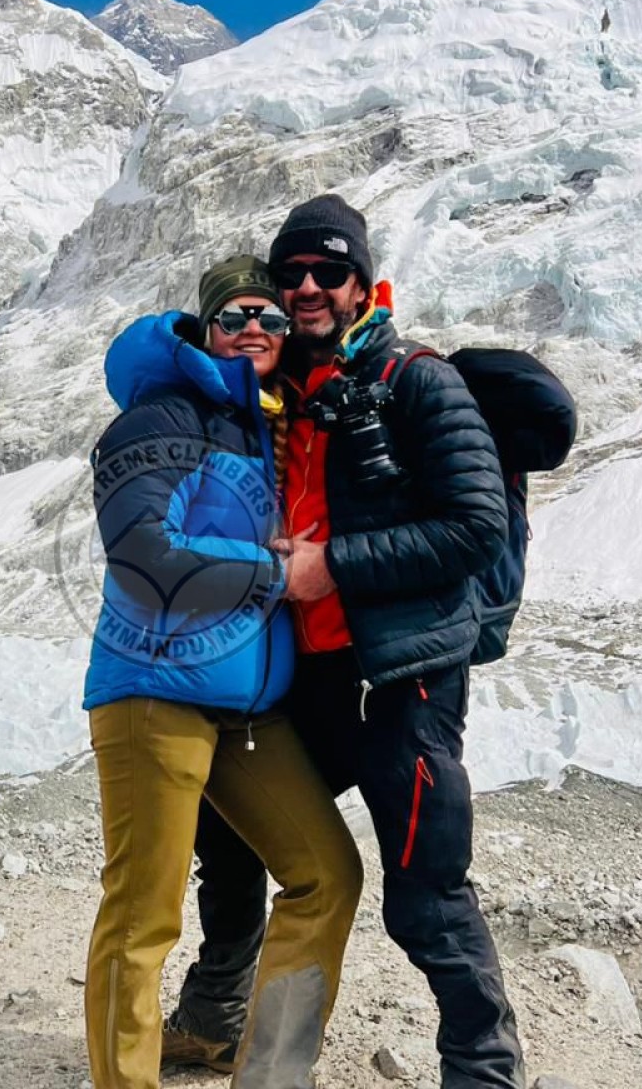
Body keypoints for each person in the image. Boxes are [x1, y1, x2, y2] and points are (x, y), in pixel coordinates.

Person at [164, 198, 526, 1089]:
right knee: (231, 830)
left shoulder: (418, 382)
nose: (308, 288)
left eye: (329, 273)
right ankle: (216, 1019)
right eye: (291, 274)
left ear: (363, 284)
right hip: (310, 678)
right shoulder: (284, 390)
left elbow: (475, 526)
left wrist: (335, 566)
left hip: (404, 679)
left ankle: (485, 1070)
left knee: (426, 889)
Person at [82, 255, 364, 1089]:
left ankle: (269, 1076)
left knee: (327, 875)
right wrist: (276, 572)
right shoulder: (162, 417)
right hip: (155, 694)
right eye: (235, 316)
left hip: (248, 713)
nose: (254, 329)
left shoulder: (265, 428)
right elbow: (143, 554)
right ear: (204, 328)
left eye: (269, 317)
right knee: (143, 914)